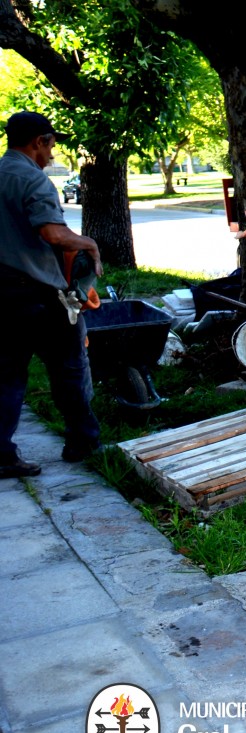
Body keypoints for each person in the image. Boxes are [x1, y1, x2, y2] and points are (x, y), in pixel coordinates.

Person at [0, 111, 102, 478]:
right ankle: (83, 441)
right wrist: (88, 242)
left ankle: (2, 454)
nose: (52, 155)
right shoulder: (34, 180)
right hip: (36, 295)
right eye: (51, 146)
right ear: (38, 142)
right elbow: (53, 235)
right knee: (69, 368)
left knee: (7, 375)